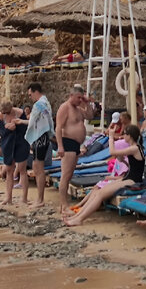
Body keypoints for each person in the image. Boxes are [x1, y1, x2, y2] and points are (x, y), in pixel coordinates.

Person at [64, 124, 146, 226]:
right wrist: (123, 161)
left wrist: (111, 137)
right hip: (128, 177)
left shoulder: (134, 148)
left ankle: (80, 219)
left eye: (124, 134)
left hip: (133, 180)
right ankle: (77, 216)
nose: (122, 136)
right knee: (97, 192)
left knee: (100, 195)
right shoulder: (134, 148)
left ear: (129, 136)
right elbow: (134, 165)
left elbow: (112, 151)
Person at [56, 85, 88, 215]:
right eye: (78, 98)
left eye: (81, 98)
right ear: (71, 96)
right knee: (65, 175)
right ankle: (64, 205)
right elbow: (58, 128)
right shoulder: (65, 107)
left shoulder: (79, 109)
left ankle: (64, 204)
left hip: (76, 144)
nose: (80, 100)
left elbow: (90, 115)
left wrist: (87, 103)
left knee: (69, 175)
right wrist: (60, 146)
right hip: (67, 142)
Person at [25, 83, 54, 208]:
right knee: (36, 167)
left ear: (35, 91)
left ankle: (40, 199)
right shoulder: (45, 102)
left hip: (40, 137)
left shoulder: (38, 104)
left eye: (30, 94)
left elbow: (32, 122)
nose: (30, 97)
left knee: (38, 169)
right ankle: (39, 198)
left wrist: (28, 137)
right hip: (44, 136)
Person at [0, 100, 31, 205]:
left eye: (7, 112)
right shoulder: (1, 116)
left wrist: (17, 126)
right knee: (9, 170)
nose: (5, 114)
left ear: (11, 109)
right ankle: (8, 197)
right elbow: (1, 132)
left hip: (21, 142)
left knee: (22, 169)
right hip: (8, 143)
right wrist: (8, 128)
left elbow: (26, 130)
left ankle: (24, 198)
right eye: (3, 112)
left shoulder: (20, 113)